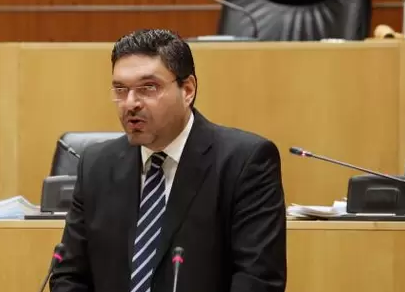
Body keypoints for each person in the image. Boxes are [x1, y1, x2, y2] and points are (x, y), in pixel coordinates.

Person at [49, 29, 286, 292]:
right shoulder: (96, 166)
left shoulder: (244, 162)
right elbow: (69, 276)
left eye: (148, 88)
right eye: (120, 89)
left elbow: (258, 280)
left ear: (188, 90)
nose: (130, 103)